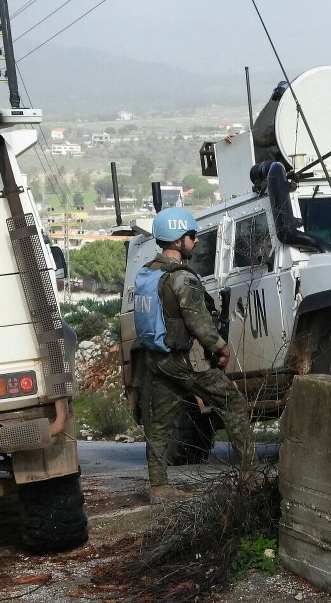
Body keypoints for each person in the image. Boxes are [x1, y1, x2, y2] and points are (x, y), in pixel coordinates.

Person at [132, 207, 258, 501]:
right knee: (233, 402)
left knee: (160, 423)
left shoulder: (148, 272)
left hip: (156, 358)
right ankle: (250, 475)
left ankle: (159, 486)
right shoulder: (181, 278)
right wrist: (220, 348)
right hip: (181, 359)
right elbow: (198, 322)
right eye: (191, 236)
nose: (196, 240)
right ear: (178, 241)